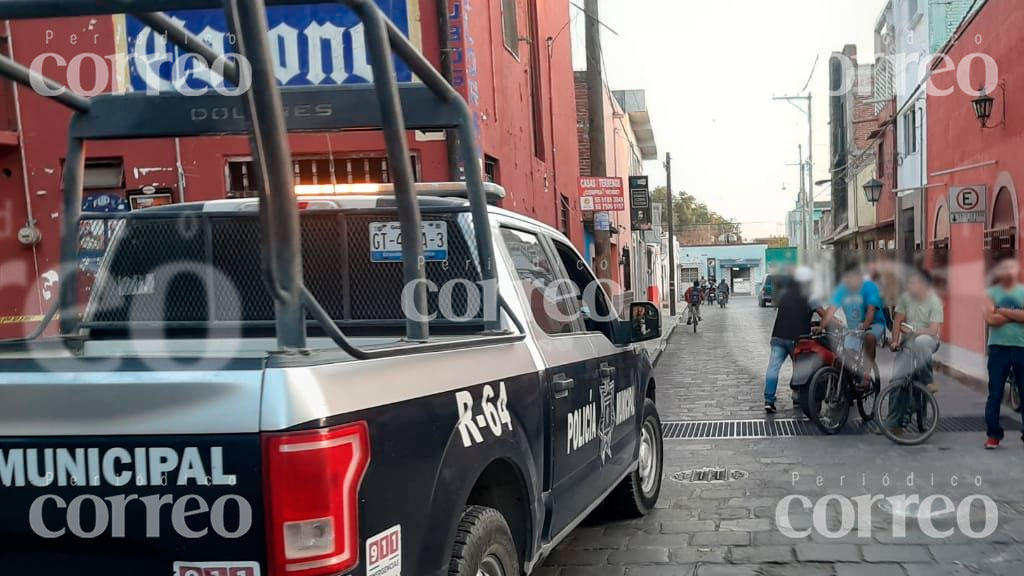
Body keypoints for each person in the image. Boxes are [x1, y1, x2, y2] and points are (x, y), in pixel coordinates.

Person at [763, 266, 822, 414]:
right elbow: (823, 313)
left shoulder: (785, 292)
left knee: (773, 368)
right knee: (800, 367)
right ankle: (797, 397)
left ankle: (769, 400)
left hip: (778, 335)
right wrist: (837, 324)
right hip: (797, 339)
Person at [819, 263, 886, 387]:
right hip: (853, 328)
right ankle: (843, 388)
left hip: (874, 324)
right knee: (842, 358)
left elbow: (871, 310)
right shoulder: (842, 290)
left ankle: (866, 373)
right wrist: (821, 327)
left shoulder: (869, 288)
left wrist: (866, 324)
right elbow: (830, 310)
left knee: (869, 337)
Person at [982, 255, 1024, 449]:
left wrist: (1001, 310)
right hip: (998, 349)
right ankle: (993, 434)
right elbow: (990, 319)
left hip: (1021, 347)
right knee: (995, 393)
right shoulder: (990, 292)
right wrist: (1016, 315)